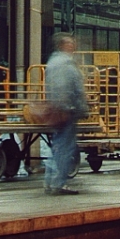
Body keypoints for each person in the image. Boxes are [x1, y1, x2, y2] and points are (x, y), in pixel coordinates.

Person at [43, 32, 89, 195]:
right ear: (63, 45)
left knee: (57, 146)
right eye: (70, 44)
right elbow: (71, 89)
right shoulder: (66, 64)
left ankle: (50, 181)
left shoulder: (52, 62)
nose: (73, 46)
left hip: (57, 110)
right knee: (65, 147)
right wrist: (78, 108)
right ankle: (58, 183)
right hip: (66, 111)